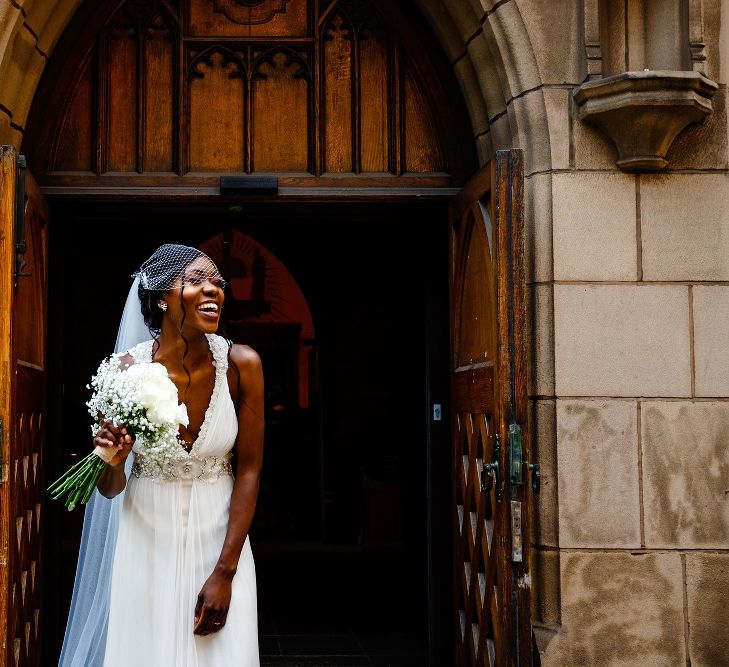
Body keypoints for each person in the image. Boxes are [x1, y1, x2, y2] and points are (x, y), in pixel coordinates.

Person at [58, 244, 263, 666]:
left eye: (218, 282)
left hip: (220, 537)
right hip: (147, 537)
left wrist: (225, 571)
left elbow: (249, 471)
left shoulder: (244, 365)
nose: (214, 290)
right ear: (161, 297)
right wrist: (111, 460)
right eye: (197, 281)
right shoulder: (122, 375)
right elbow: (111, 488)